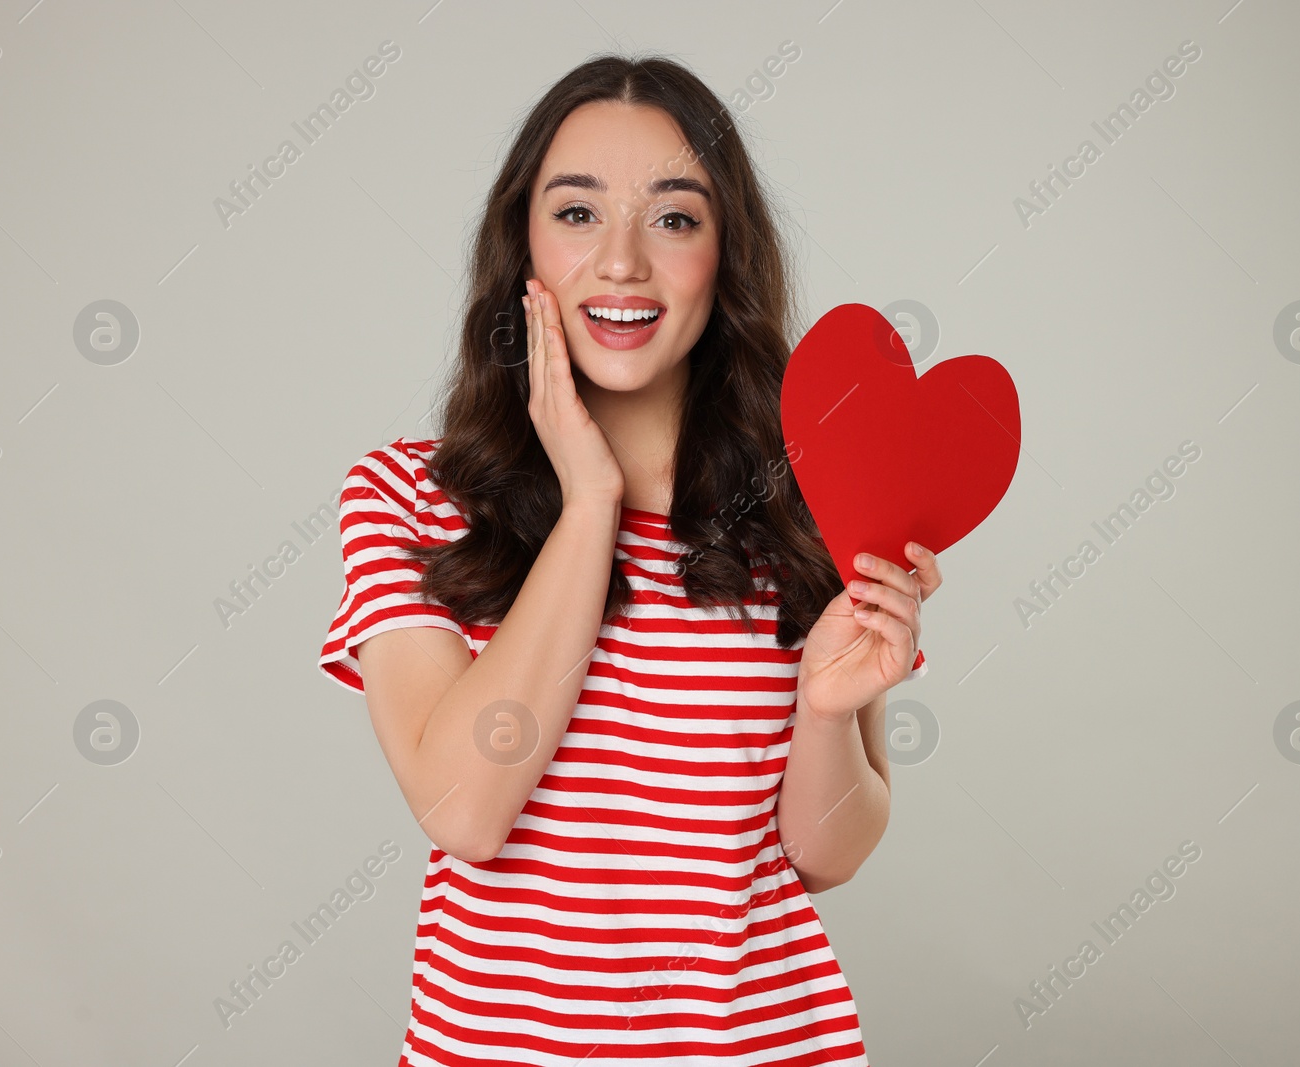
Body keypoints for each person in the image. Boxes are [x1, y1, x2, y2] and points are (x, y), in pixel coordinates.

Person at [318, 52, 940, 1067]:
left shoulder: (809, 502)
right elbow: (466, 809)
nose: (620, 262)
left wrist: (827, 707)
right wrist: (589, 503)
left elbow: (831, 854)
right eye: (575, 213)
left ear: (723, 252)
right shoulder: (406, 498)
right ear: (519, 241)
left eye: (673, 217)